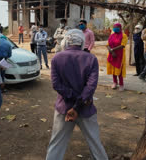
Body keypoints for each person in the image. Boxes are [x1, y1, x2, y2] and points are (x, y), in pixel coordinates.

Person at [46, 29, 108, 160]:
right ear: (82, 42)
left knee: (56, 144)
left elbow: (56, 85)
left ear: (65, 42)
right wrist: (78, 104)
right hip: (85, 108)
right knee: (95, 143)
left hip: (64, 109)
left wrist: (72, 101)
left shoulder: (57, 58)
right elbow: (91, 87)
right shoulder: (91, 59)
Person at [106, 23, 128, 91]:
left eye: (117, 27)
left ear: (120, 28)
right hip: (112, 55)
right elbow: (107, 45)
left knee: (119, 70)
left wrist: (113, 50)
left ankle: (121, 84)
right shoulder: (111, 35)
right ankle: (115, 82)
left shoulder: (124, 36)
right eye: (114, 27)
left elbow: (122, 45)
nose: (115, 28)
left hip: (120, 55)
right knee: (113, 70)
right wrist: (111, 51)